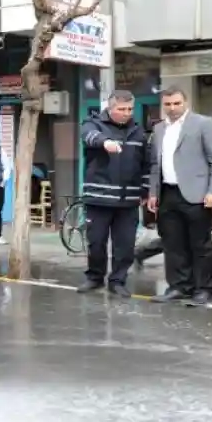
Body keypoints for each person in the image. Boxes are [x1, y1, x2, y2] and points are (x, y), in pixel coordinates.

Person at [148, 86, 212, 306]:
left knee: (201, 245)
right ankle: (179, 287)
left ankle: (205, 290)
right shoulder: (159, 129)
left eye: (176, 103)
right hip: (167, 193)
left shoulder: (203, 124)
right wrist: (153, 193)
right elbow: (156, 164)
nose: (172, 108)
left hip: (197, 194)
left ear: (186, 103)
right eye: (168, 104)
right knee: (173, 244)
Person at [77, 90, 152, 298]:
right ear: (110, 109)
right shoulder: (93, 124)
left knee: (125, 245)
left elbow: (146, 165)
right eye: (121, 109)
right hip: (99, 198)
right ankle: (94, 277)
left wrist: (145, 190)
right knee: (97, 242)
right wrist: (105, 142)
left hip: (128, 201)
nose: (126, 113)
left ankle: (118, 281)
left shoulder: (139, 133)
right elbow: (89, 137)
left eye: (129, 109)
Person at [135, 195, 212, 270]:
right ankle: (141, 253)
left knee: (191, 242)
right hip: (174, 208)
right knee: (173, 240)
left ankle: (193, 274)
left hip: (199, 211)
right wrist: (149, 218)